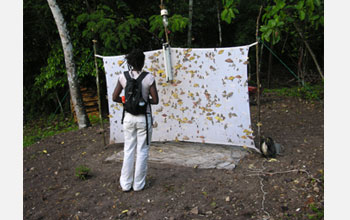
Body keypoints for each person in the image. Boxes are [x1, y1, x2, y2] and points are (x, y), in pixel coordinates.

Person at [112, 49, 159, 192]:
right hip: (143, 118)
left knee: (129, 149)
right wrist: (143, 102)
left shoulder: (123, 76)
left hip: (128, 118)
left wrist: (126, 102)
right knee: (142, 150)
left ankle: (125, 184)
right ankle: (138, 185)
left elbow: (114, 97)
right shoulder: (149, 78)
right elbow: (155, 100)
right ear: (143, 62)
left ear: (130, 62)